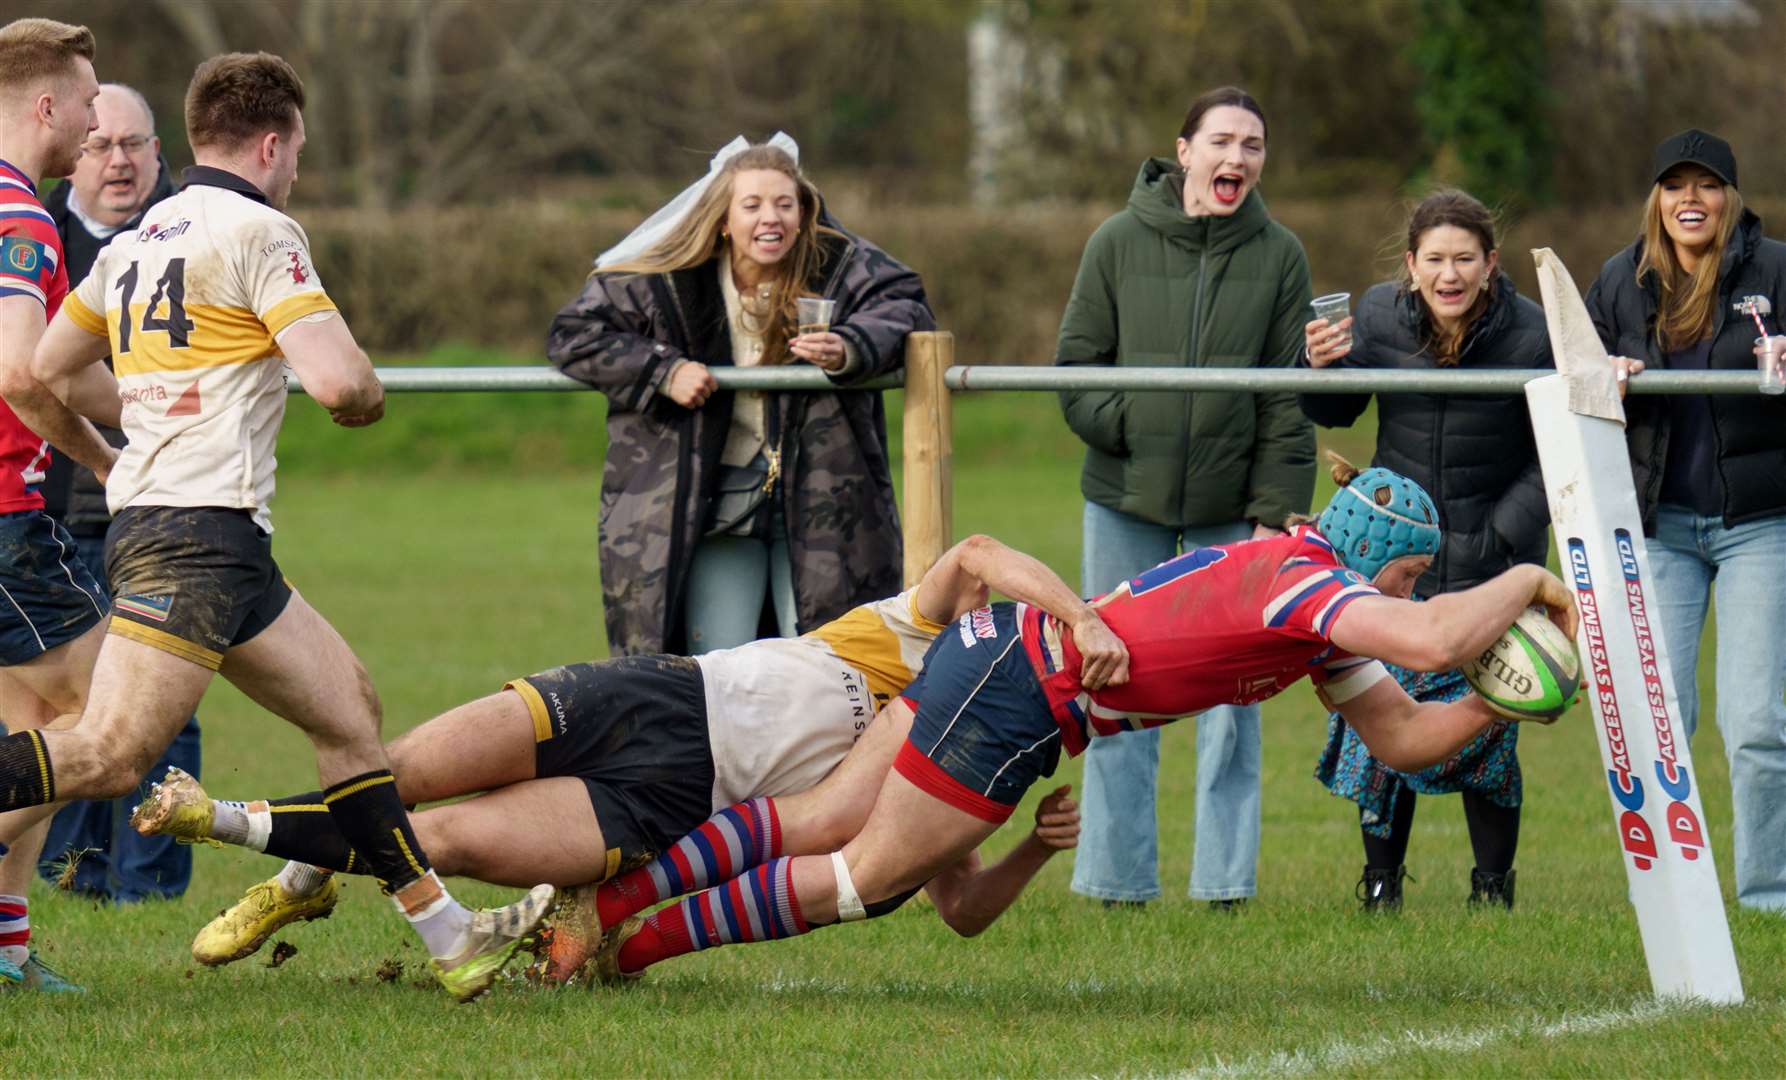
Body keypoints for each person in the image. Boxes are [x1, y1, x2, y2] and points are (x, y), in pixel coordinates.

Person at [7, 51, 552, 1002]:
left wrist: (146, 415)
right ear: (273, 141)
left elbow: (52, 366)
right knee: (108, 754)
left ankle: (451, 937)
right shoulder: (263, 230)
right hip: (192, 540)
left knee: (350, 715)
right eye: (297, 147)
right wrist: (364, 399)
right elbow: (340, 380)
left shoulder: (135, 239)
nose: (297, 165)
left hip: (219, 542)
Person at [589, 465, 1579, 982]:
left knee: (816, 821)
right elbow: (1436, 639)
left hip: (998, 655)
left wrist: (1496, 705)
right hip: (1025, 691)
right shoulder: (1305, 586)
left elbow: (1404, 739)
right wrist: (1533, 578)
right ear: (1375, 554)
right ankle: (630, 949)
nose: (1410, 593)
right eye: (1407, 574)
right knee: (866, 877)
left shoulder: (1307, 606)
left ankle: (600, 914)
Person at [128, 534, 1122, 981]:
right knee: (400, 769)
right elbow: (982, 552)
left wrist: (1035, 847)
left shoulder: (955, 747)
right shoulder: (928, 632)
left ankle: (250, 835)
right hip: (653, 692)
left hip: (667, 801)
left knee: (439, 835)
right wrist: (1077, 616)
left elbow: (958, 908)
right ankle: (300, 874)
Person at [1055, 86, 1316, 911]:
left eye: (1253, 145)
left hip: (1232, 509)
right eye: (1223, 142)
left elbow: (1287, 394)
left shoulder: (1281, 255)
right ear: (1185, 151)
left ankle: (1224, 885)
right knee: (1112, 682)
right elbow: (1076, 369)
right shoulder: (1115, 242)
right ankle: (1114, 880)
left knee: (1232, 705)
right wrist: (1138, 423)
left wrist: (1275, 505)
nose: (1237, 158)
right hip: (1122, 501)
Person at [547, 136, 933, 657]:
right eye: (752, 205)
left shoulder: (840, 267)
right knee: (717, 668)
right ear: (724, 219)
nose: (769, 218)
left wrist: (849, 346)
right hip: (710, 509)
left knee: (827, 665)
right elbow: (575, 333)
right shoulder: (667, 280)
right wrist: (663, 371)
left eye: (783, 204)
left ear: (803, 213)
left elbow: (907, 307)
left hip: (824, 506)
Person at [1299, 190, 1553, 910]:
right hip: (1392, 564)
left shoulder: (1530, 332)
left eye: (1465, 258)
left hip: (1490, 558)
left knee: (1490, 721)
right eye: (1435, 259)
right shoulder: (1377, 314)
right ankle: (1381, 884)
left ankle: (1493, 887)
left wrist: (1498, 535)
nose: (1450, 274)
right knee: (1381, 717)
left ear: (1490, 264)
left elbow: (1550, 456)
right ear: (1411, 265)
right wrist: (1316, 366)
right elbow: (1335, 408)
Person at [1591, 129, 1786, 914]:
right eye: (1675, 186)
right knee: (1661, 719)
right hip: (1660, 527)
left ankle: (1770, 895)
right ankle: (1677, 892)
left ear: (1730, 198)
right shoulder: (1620, 279)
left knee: (1756, 723)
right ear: (1657, 200)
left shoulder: (1777, 269)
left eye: (1706, 185)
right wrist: (1602, 377)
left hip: (1759, 524)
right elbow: (1578, 375)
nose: (1690, 200)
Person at [37, 80, 198, 904]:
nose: (119, 160)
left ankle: (152, 886)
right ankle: (68, 877)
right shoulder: (33, 237)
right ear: (72, 157)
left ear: (161, 155)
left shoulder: (194, 239)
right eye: (101, 145)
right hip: (52, 514)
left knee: (166, 698)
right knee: (66, 704)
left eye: (136, 144)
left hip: (167, 510)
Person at [0, 16, 110, 994]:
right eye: (86, 98)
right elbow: (27, 377)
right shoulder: (21, 219)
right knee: (113, 718)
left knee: (31, 725)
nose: (96, 115)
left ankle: (6, 952)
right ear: (46, 106)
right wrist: (117, 464)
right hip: (6, 522)